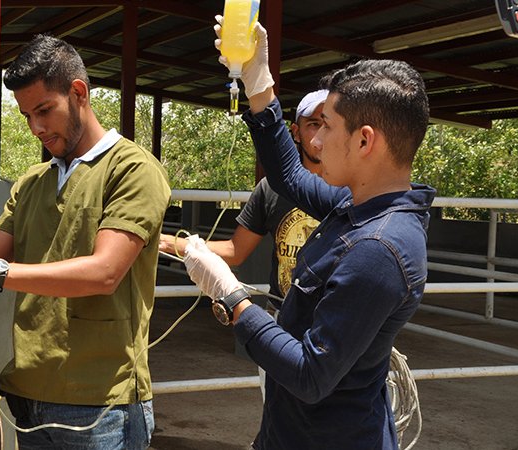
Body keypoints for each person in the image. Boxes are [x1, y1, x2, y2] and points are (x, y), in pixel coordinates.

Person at [181, 18, 435, 450]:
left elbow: (309, 375)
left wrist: (230, 294)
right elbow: (289, 177)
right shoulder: (358, 206)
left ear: (364, 141)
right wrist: (258, 82)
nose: (315, 143)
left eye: (328, 127)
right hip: (292, 431)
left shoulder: (378, 248)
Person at [0, 34, 171, 449]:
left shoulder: (132, 170)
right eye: (25, 116)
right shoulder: (32, 183)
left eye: (44, 111)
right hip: (27, 395)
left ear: (78, 93)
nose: (36, 127)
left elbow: (105, 272)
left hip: (99, 404)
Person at [160, 89, 328, 308]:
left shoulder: (356, 188)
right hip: (283, 313)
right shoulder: (272, 189)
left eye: (329, 125)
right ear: (295, 132)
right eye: (313, 124)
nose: (321, 136)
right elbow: (235, 251)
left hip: (336, 322)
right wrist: (169, 243)